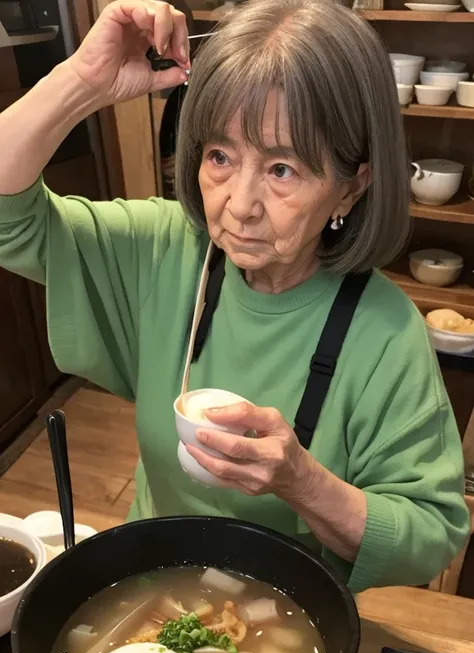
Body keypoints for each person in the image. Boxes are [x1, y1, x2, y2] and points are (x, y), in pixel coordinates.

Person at [0, 0, 469, 591]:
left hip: (287, 628)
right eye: (219, 156)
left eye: (282, 169)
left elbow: (430, 534)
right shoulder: (164, 251)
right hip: (148, 587)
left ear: (352, 187)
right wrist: (80, 81)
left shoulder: (385, 331)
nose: (239, 205)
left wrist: (301, 480)